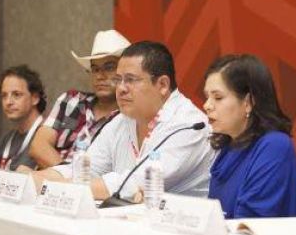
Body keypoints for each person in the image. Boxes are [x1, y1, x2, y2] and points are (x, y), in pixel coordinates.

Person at [33, 41, 214, 200]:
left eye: (130, 80)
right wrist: (36, 178)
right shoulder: (122, 121)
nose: (120, 89)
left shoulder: (188, 125)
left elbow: (134, 183)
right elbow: (87, 169)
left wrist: (56, 186)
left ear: (162, 85)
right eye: (119, 80)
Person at [203, 54, 296, 218]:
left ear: (248, 102)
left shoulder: (275, 146)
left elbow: (250, 222)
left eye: (218, 97)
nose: (207, 105)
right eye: (207, 97)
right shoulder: (229, 145)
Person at [29, 29, 130, 168]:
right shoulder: (72, 100)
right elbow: (38, 146)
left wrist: (67, 177)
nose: (99, 76)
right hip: (52, 178)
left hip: (90, 181)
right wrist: (67, 176)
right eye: (95, 69)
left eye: (109, 67)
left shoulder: (129, 117)